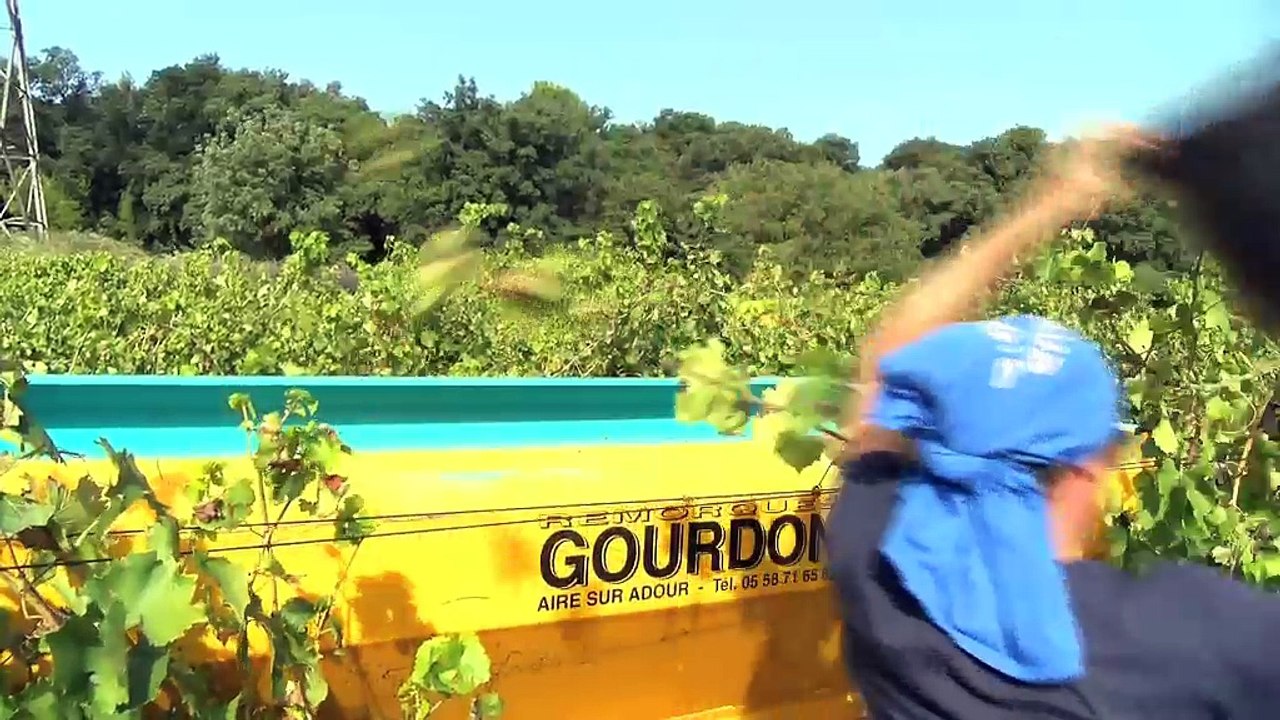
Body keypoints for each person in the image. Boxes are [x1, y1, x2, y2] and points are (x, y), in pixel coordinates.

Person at [824, 128, 1280, 719]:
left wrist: (1048, 204)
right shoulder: (1193, 636)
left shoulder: (880, 565)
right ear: (1089, 469)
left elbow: (889, 373)